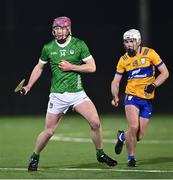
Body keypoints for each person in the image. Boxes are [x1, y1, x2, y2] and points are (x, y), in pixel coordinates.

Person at [21, 16, 117, 171]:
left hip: (77, 94)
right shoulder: (48, 47)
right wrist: (29, 86)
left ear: (69, 29)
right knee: (49, 131)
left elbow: (92, 67)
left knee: (96, 123)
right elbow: (39, 67)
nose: (59, 31)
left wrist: (72, 67)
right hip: (57, 96)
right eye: (56, 28)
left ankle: (100, 153)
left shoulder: (79, 45)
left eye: (62, 28)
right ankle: (34, 157)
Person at [111, 29, 169, 167]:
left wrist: (154, 85)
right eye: (126, 42)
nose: (129, 44)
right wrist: (115, 96)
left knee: (139, 136)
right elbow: (116, 81)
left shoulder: (150, 53)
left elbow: (165, 73)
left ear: (138, 41)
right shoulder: (123, 60)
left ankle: (122, 136)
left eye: (132, 41)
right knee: (133, 126)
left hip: (147, 99)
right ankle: (131, 158)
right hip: (132, 96)